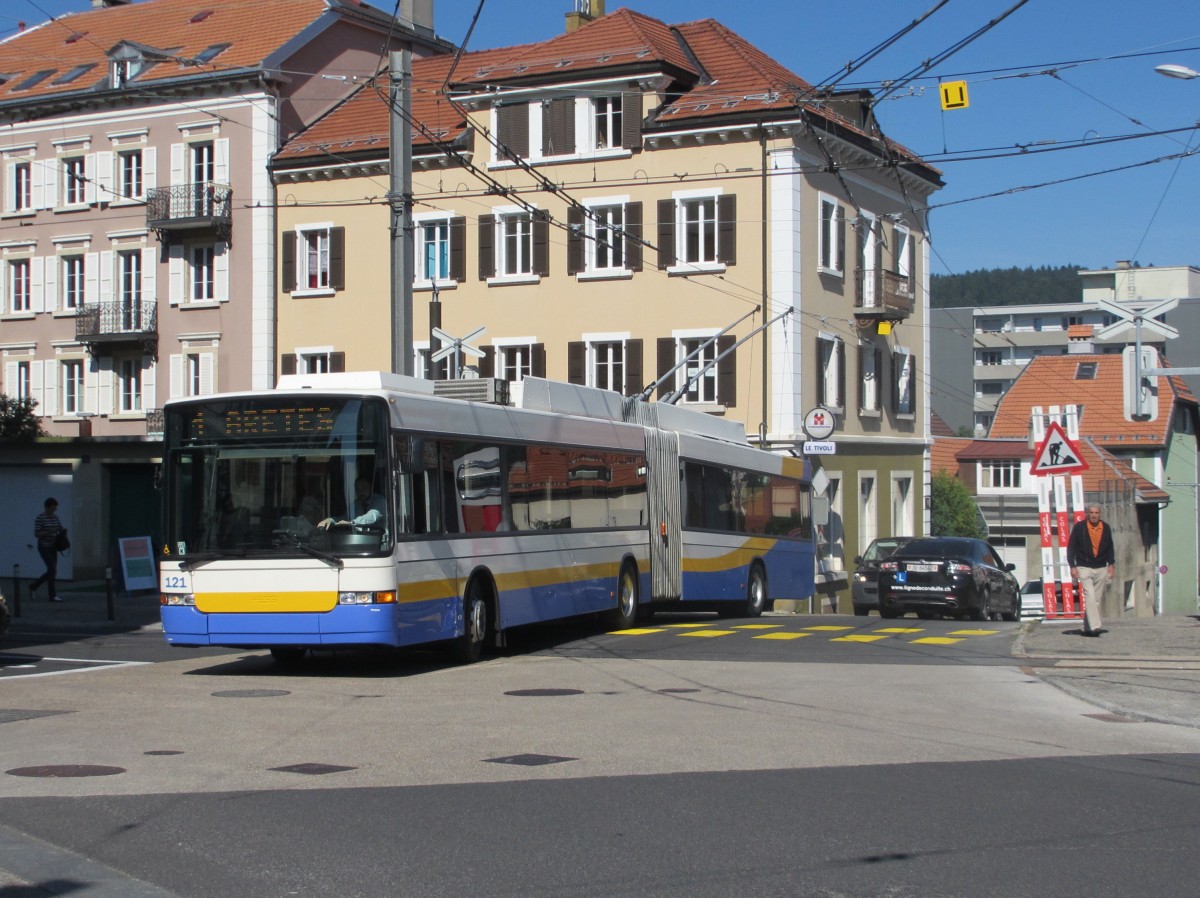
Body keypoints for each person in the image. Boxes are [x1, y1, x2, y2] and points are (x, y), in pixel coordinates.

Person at [1067, 503, 1114, 637]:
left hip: (1100, 567)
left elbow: (1110, 547)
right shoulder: (1079, 528)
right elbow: (1071, 547)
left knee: (1097, 600)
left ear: (1100, 514)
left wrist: (1111, 564)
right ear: (1087, 514)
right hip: (1084, 566)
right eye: (1091, 513)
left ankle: (1087, 627)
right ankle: (1095, 626)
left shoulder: (1105, 528)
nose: (1094, 515)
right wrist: (1072, 565)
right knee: (1090, 596)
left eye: (1096, 513)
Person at [318, 476, 385, 530]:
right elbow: (345, 518)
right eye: (357, 489)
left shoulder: (380, 500)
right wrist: (331, 520)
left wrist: (352, 522)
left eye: (364, 488)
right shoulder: (356, 504)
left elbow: (372, 516)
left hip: (382, 543)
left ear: (371, 487)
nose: (361, 492)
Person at [31, 497, 64, 603]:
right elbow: (37, 534)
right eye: (52, 509)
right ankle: (52, 595)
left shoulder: (55, 518)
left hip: (53, 546)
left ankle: (34, 586)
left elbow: (60, 528)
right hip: (44, 547)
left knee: (52, 571)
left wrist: (62, 533)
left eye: (55, 509)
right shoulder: (40, 518)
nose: (53, 511)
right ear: (47, 508)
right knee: (52, 569)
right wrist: (49, 532)